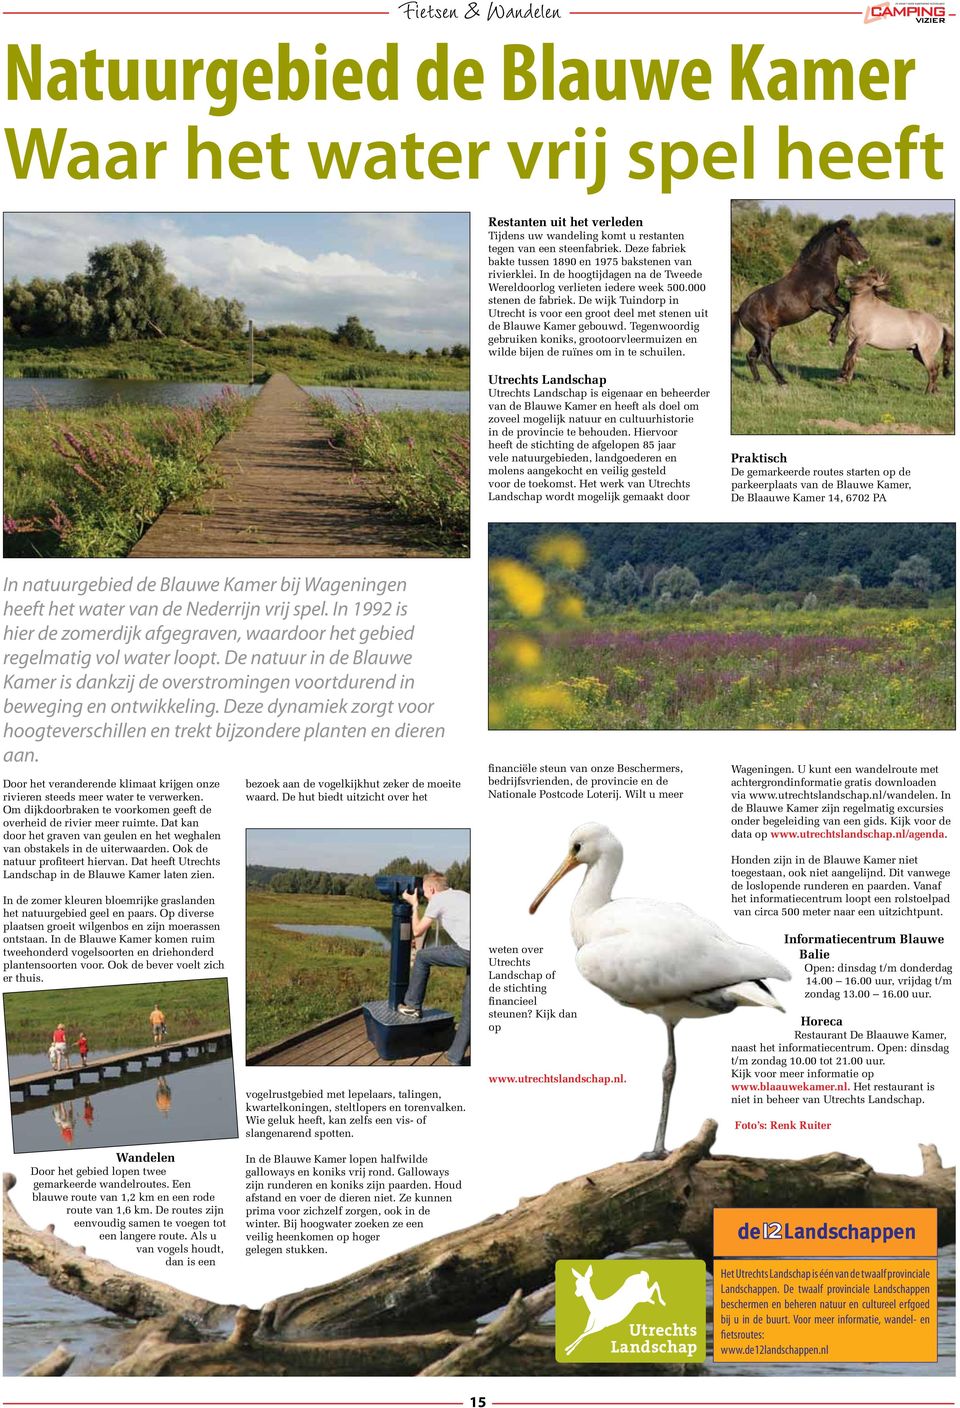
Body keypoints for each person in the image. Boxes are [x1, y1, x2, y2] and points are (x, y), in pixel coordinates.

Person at [397, 873, 470, 1066]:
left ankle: (412, 1005)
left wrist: (414, 904)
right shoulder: (462, 894)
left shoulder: (438, 899)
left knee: (422, 957)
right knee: (470, 1009)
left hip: (470, 951)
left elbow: (417, 931)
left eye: (425, 893)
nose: (425, 896)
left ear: (431, 889)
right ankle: (455, 1057)